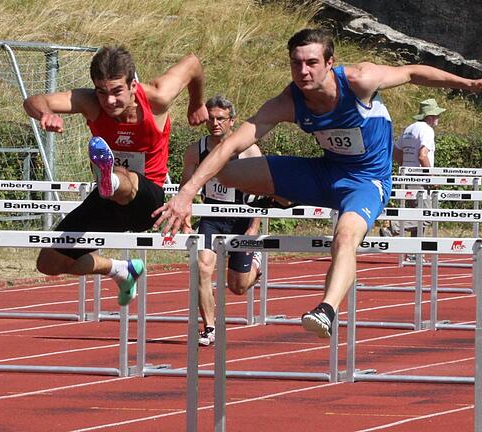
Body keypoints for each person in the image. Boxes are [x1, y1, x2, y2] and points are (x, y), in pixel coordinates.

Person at [153, 28, 482, 338]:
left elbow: (412, 72)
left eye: (312, 63)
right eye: (296, 63)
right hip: (323, 173)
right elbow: (229, 145)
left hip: (365, 182)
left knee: (346, 236)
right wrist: (188, 191)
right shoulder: (288, 101)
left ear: (330, 63)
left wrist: (466, 84)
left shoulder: (359, 80)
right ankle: (283, 196)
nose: (304, 71)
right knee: (228, 171)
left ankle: (326, 309)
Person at [23, 45, 207, 306]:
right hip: (106, 199)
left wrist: (196, 103)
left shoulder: (157, 97)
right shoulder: (90, 102)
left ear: (133, 84)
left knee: (123, 177)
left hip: (148, 202)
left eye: (117, 91)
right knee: (50, 262)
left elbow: (193, 62)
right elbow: (34, 100)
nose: (109, 101)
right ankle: (121, 269)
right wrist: (46, 113)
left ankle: (112, 177)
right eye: (102, 92)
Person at [181, 95, 263, 346]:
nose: (215, 123)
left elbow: (263, 192)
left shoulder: (249, 150)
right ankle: (210, 327)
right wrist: (186, 220)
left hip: (242, 217)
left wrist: (254, 226)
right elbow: (186, 187)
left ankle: (256, 265)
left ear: (232, 121)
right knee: (202, 266)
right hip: (212, 217)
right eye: (211, 119)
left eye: (220, 119)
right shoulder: (196, 150)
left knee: (237, 287)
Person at [381, 98, 446, 242]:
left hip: (408, 176)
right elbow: (423, 155)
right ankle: (393, 226)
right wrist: (431, 177)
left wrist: (406, 167)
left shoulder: (410, 128)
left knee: (416, 216)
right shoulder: (427, 130)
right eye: (436, 116)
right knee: (427, 216)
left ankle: (414, 253)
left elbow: (396, 152)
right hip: (420, 178)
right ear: (430, 117)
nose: (438, 119)